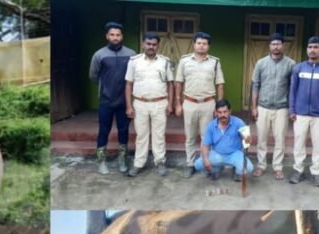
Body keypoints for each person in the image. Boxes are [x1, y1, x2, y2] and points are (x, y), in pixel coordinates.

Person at [288, 36, 319, 187]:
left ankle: (315, 172)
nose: (312, 50)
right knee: (299, 144)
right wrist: (292, 110)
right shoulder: (299, 68)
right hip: (300, 114)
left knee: (318, 146)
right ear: (307, 49)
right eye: (310, 47)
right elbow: (292, 91)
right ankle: (298, 170)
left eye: (316, 47)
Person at [175, 31, 225, 178]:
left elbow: (220, 84)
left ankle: (207, 164)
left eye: (204, 43)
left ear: (208, 46)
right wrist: (178, 103)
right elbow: (179, 83)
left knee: (207, 137)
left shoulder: (215, 62)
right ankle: (190, 164)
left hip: (208, 104)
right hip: (189, 103)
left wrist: (219, 107)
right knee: (189, 137)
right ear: (194, 44)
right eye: (199, 43)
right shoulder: (184, 61)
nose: (202, 46)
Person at [89, 22, 137, 175]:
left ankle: (122, 159)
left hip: (124, 101)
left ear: (122, 36)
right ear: (107, 36)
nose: (115, 38)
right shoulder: (99, 55)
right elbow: (93, 76)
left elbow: (135, 77)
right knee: (104, 130)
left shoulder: (131, 54)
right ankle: (101, 161)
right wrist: (106, 88)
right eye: (112, 35)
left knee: (123, 131)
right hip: (106, 101)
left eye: (118, 35)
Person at [124, 33, 174, 177]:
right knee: (141, 135)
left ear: (158, 46)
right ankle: (138, 163)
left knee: (159, 135)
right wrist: (129, 106)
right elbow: (128, 84)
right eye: (148, 44)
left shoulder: (165, 62)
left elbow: (170, 84)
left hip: (160, 103)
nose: (151, 47)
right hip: (140, 103)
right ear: (143, 44)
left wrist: (170, 104)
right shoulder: (134, 61)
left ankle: (160, 162)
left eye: (154, 44)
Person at [251, 32, 296, 180]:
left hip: (282, 108)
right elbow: (255, 85)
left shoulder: (291, 64)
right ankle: (261, 165)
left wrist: (292, 108)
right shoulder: (261, 63)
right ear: (269, 46)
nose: (276, 47)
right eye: (273, 44)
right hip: (263, 107)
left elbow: (293, 87)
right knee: (262, 138)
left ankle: (278, 167)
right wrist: (254, 107)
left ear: (283, 45)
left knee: (279, 140)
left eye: (278, 44)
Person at [194, 99, 253, 181]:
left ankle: (236, 172)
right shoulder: (211, 126)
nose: (223, 115)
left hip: (234, 154)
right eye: (220, 112)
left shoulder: (239, 122)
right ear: (215, 113)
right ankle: (216, 169)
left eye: (225, 112)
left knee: (249, 168)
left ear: (230, 111)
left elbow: (247, 143)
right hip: (217, 154)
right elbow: (205, 146)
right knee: (198, 164)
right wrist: (206, 160)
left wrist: (247, 141)